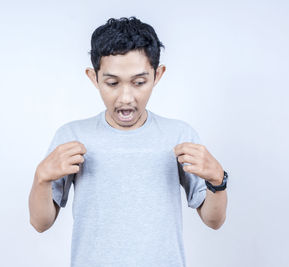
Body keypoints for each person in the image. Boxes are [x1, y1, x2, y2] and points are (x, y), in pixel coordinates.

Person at [28, 16, 228, 267]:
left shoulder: (179, 136)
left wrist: (217, 181)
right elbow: (40, 223)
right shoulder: (72, 137)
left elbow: (213, 220)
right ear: (94, 78)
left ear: (158, 75)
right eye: (112, 83)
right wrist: (41, 178)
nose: (126, 97)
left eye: (139, 82)